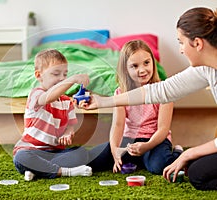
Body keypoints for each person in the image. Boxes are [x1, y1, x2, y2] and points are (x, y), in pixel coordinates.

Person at [79, 7, 217, 190]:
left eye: (181, 42)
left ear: (197, 43)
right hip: (134, 142)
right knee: (198, 173)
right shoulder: (206, 69)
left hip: (156, 143)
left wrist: (187, 154)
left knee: (194, 170)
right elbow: (161, 91)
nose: (181, 50)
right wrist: (102, 102)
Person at [87, 40, 182, 175]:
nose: (142, 70)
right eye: (135, 66)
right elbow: (118, 125)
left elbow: (163, 129)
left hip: (154, 141)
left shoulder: (164, 91)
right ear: (125, 69)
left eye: (146, 63)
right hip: (129, 141)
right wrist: (115, 151)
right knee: (93, 160)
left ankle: (177, 152)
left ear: (153, 63)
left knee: (160, 166)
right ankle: (139, 159)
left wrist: (146, 146)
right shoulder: (121, 93)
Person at [13, 49, 92, 181]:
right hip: (31, 150)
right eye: (56, 74)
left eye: (65, 74)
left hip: (54, 153)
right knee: (21, 157)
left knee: (81, 153)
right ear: (39, 76)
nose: (62, 78)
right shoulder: (36, 94)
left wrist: (68, 133)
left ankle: (38, 170)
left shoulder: (67, 102)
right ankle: (65, 172)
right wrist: (71, 80)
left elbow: (70, 126)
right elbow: (48, 98)